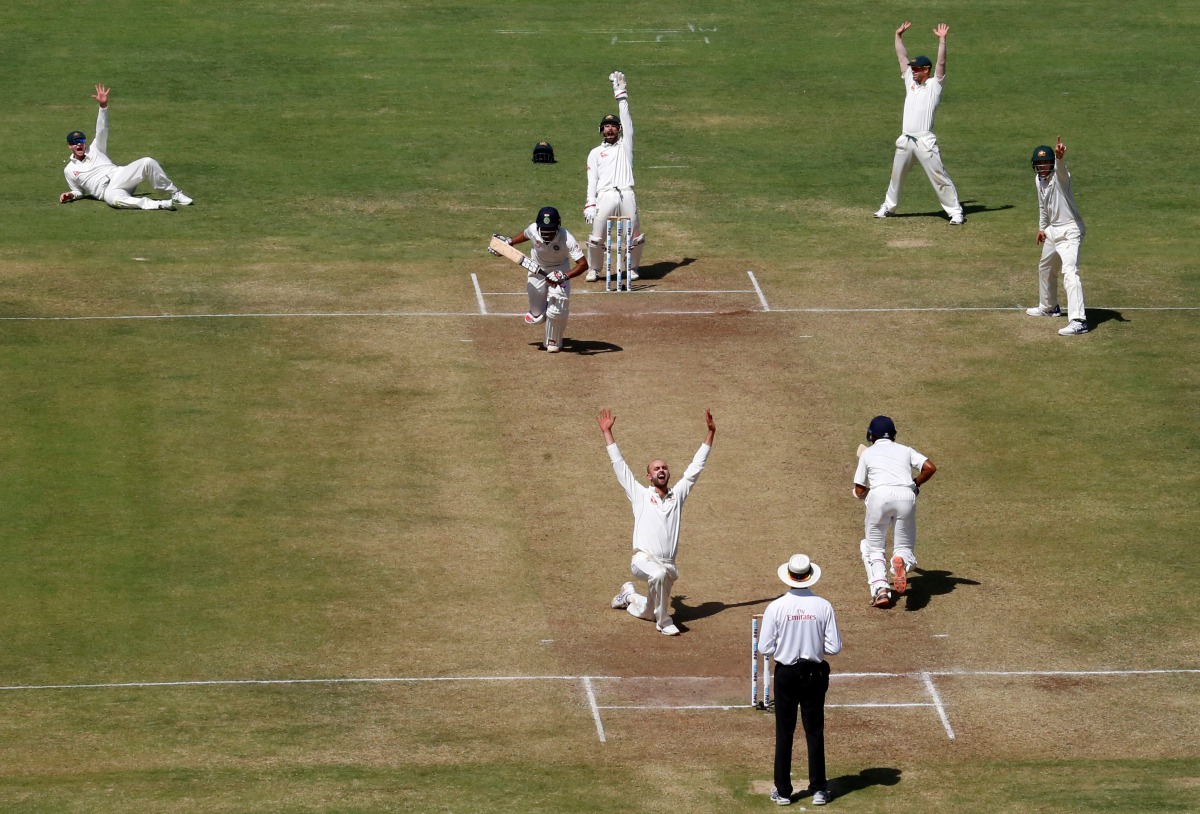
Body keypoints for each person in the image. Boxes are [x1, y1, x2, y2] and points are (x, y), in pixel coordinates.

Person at [600, 408, 715, 636]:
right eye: (656, 468)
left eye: (664, 467)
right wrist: (607, 433)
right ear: (649, 476)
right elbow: (619, 465)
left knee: (649, 610)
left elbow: (695, 469)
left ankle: (628, 596)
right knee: (659, 578)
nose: (661, 470)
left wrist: (710, 433)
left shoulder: (677, 495)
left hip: (668, 565)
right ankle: (664, 623)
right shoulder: (640, 495)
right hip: (643, 560)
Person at [759, 554, 842, 807]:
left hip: (786, 674)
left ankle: (783, 792)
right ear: (808, 576)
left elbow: (764, 647)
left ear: (789, 577)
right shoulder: (823, 606)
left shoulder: (776, 607)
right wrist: (813, 646)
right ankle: (818, 789)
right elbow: (834, 647)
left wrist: (787, 645)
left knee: (784, 732)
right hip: (813, 674)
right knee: (814, 731)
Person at [873, 22, 965, 226]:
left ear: (926, 70)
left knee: (939, 177)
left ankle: (955, 212)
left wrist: (942, 40)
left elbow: (941, 64)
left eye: (917, 69)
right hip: (905, 139)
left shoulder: (935, 85)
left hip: (924, 140)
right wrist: (898, 38)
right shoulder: (910, 82)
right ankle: (889, 206)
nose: (913, 71)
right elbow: (901, 58)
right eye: (912, 68)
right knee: (896, 176)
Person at [59, 84, 192, 211]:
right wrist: (70, 195)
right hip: (109, 191)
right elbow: (78, 191)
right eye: (75, 142)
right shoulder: (69, 170)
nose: (79, 144)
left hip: (120, 175)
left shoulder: (96, 148)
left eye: (81, 140)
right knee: (114, 201)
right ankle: (161, 204)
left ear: (84, 142)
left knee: (147, 161)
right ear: (69, 145)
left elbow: (102, 130)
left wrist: (103, 106)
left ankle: (175, 193)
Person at [854, 416, 936, 608]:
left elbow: (859, 490)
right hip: (906, 496)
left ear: (870, 435)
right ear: (893, 435)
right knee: (904, 548)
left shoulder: (868, 453)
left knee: (873, 548)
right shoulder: (905, 450)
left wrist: (866, 495)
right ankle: (901, 562)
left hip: (879, 497)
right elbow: (930, 468)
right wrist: (914, 484)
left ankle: (881, 589)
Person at [490, 206, 588, 352]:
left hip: (559, 270)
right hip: (536, 269)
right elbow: (525, 234)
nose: (547, 234)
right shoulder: (533, 229)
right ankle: (546, 308)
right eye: (544, 230)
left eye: (550, 230)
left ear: (558, 226)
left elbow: (583, 264)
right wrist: (509, 242)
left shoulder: (567, 238)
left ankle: (553, 341)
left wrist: (564, 276)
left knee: (558, 305)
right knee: (535, 316)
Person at [583, 71, 645, 283]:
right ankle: (594, 269)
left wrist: (621, 94)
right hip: (605, 196)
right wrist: (590, 203)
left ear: (618, 129)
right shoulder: (594, 153)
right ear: (601, 130)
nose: (610, 129)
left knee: (635, 235)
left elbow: (628, 122)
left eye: (614, 126)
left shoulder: (625, 145)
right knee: (596, 237)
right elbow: (592, 180)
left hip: (626, 193)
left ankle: (633, 267)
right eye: (607, 126)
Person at [1026, 138, 1089, 336]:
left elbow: (1061, 170)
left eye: (1046, 163)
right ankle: (1049, 307)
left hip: (1070, 230)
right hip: (1054, 230)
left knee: (1070, 273)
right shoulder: (1039, 180)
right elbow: (1042, 206)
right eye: (1039, 164)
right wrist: (1042, 228)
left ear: (1052, 163)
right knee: (1045, 267)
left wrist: (1061, 159)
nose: (1042, 167)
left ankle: (1079, 321)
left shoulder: (1061, 177)